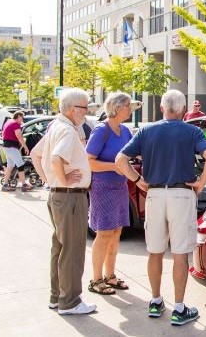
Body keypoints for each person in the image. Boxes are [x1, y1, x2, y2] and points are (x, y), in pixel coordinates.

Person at [115, 89, 206, 326]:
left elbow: (120, 159)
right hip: (182, 194)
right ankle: (179, 308)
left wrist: (139, 180)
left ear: (162, 108)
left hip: (155, 194)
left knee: (155, 251)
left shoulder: (147, 131)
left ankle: (155, 300)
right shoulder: (192, 131)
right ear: (183, 110)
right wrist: (201, 182)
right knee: (180, 253)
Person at [31, 88, 96, 316]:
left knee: (60, 247)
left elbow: (35, 154)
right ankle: (70, 301)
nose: (86, 113)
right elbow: (57, 157)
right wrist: (63, 178)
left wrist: (49, 179)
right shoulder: (67, 130)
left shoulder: (57, 127)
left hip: (59, 195)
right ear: (71, 109)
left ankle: (57, 297)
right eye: (84, 108)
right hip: (70, 197)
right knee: (73, 249)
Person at [85, 93, 133, 296]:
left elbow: (133, 154)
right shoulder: (101, 130)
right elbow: (89, 161)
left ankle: (110, 275)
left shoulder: (125, 131)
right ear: (117, 108)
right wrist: (114, 167)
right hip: (102, 188)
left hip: (120, 187)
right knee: (104, 233)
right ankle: (95, 279)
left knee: (116, 232)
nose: (130, 109)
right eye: (128, 106)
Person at [0, 112, 32, 191]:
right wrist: (25, 147)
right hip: (11, 146)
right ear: (18, 116)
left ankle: (5, 184)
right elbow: (19, 136)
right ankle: (24, 184)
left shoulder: (8, 122)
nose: (22, 120)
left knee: (10, 165)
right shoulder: (15, 124)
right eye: (22, 117)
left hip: (6, 146)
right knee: (20, 165)